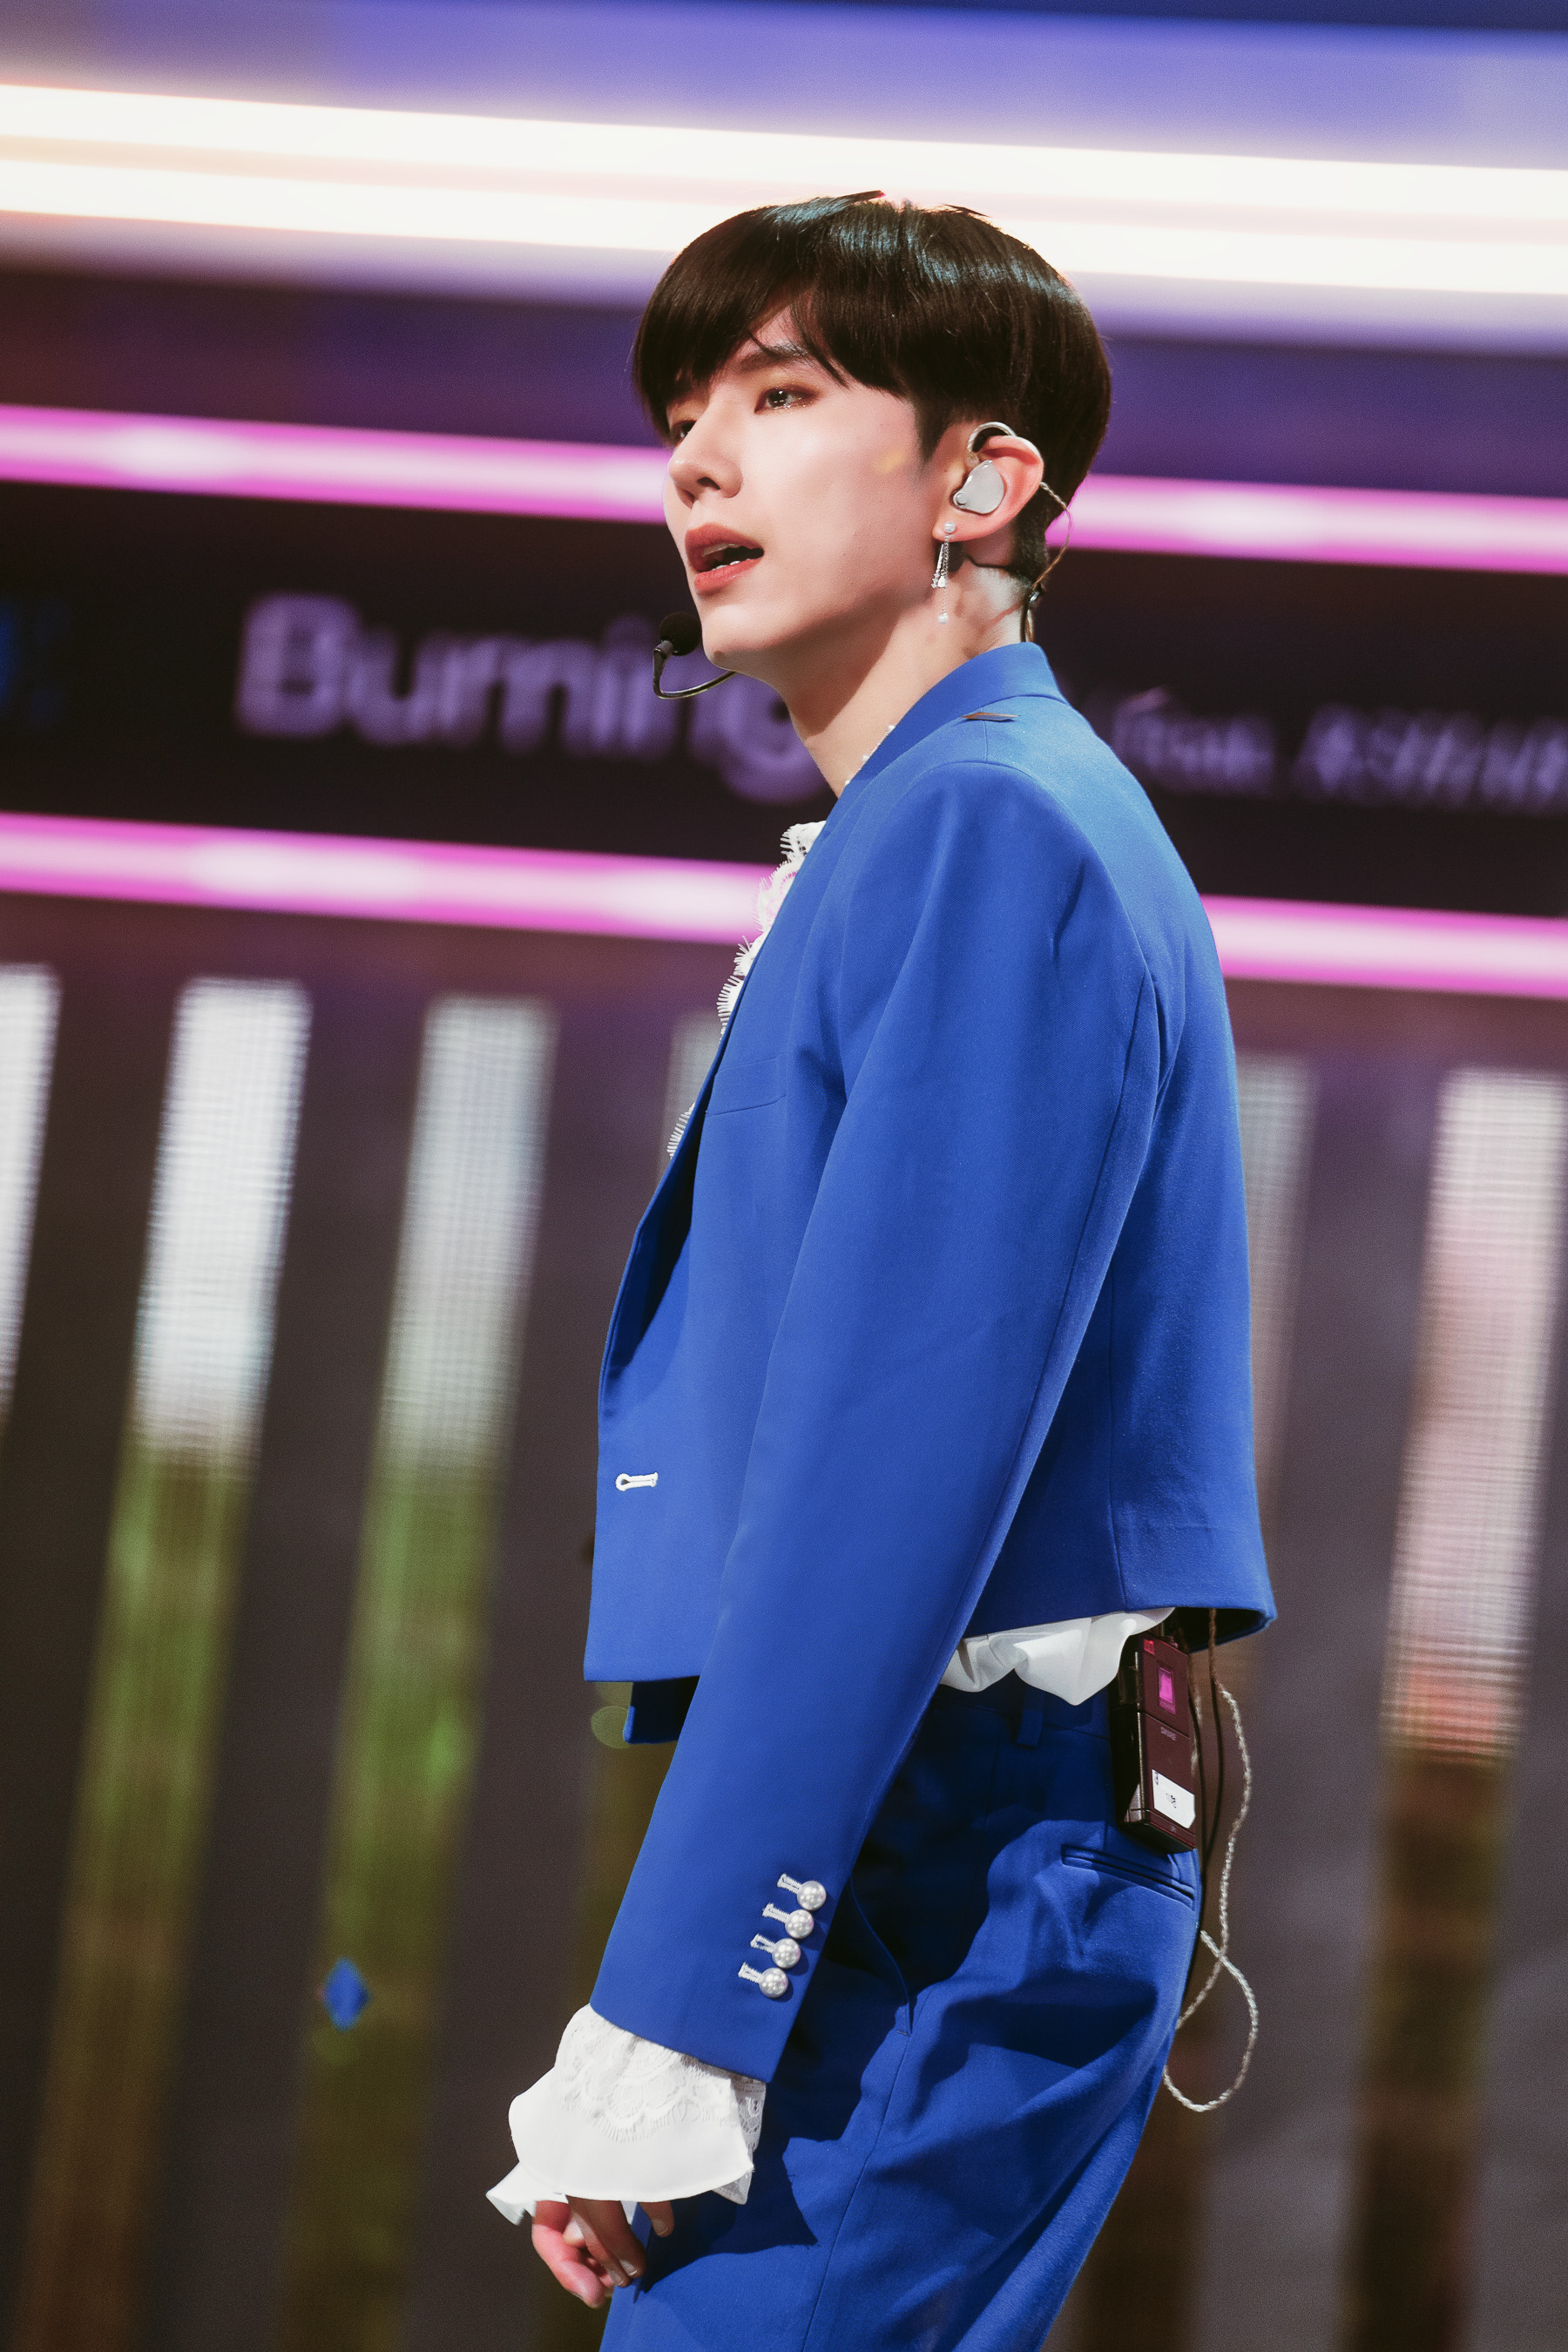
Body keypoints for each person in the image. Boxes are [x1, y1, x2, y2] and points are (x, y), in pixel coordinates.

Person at [488, 193, 1274, 2349]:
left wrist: (680, 2015)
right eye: (682, 412)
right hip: (958, 1850)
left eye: (779, 395)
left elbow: (886, 1475)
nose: (695, 460)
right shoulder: (961, 820)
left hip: (951, 1857)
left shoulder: (989, 825)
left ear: (983, 478)